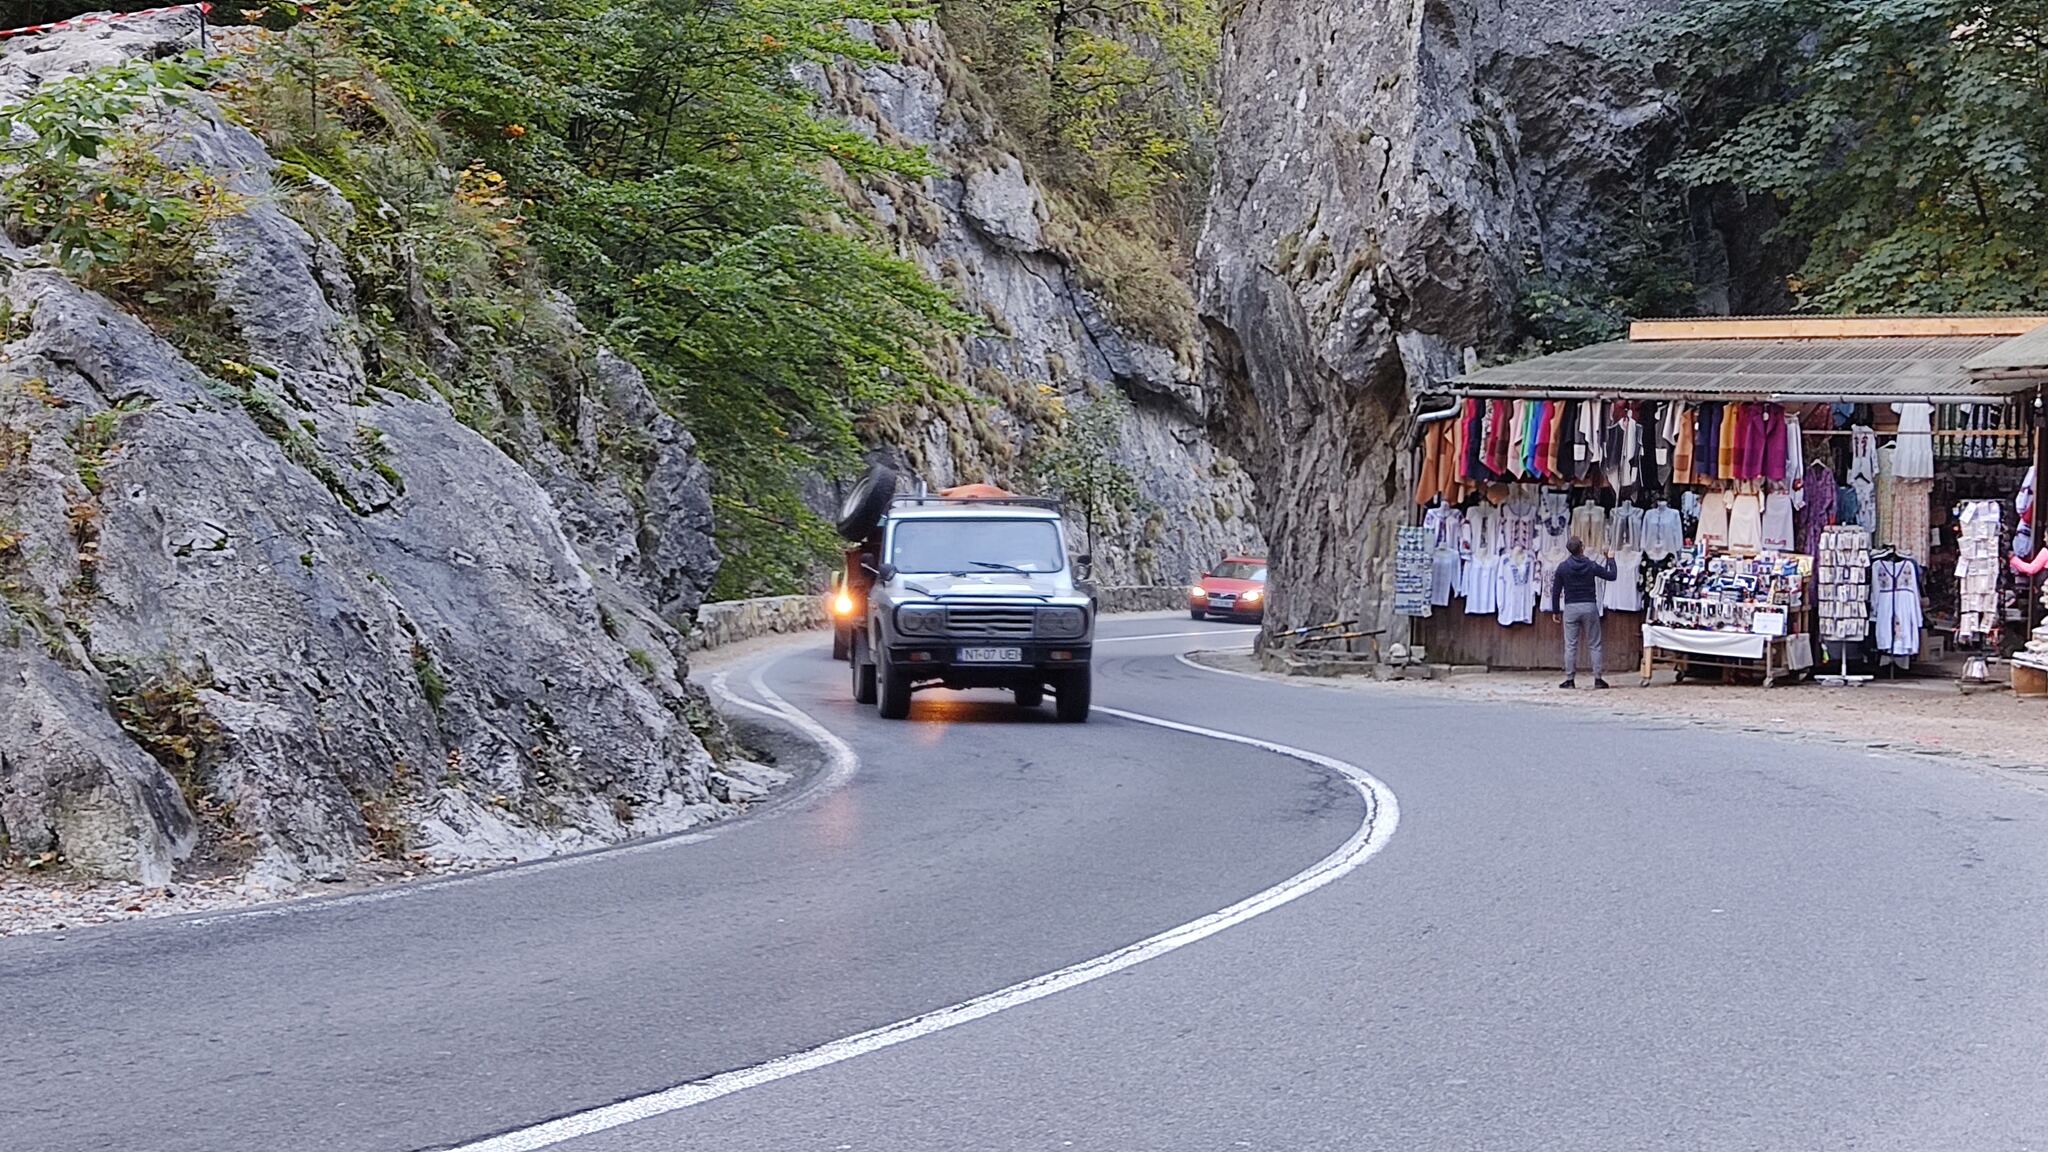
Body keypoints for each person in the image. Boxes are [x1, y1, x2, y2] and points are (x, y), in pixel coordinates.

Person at [1550, 535, 1617, 689]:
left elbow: (1556, 591)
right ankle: (1598, 679)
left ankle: (1570, 679)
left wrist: (1555, 611)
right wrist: (1610, 559)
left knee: (1570, 645)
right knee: (1595, 644)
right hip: (1589, 606)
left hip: (1571, 607)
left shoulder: (1563, 567)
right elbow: (1611, 576)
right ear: (1582, 548)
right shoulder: (1591, 565)